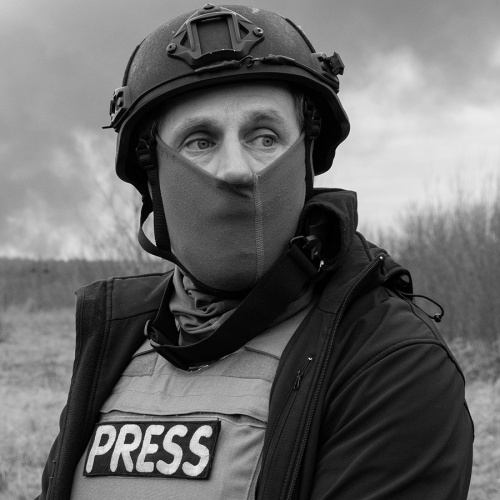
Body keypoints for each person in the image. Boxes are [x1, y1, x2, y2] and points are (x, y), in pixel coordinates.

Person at [37, 4, 473, 499]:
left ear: (307, 154)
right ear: (151, 174)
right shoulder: (117, 336)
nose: (236, 169)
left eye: (264, 137)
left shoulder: (389, 359)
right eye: (200, 141)